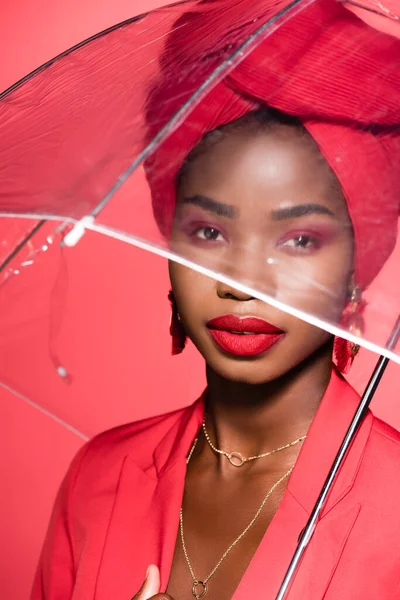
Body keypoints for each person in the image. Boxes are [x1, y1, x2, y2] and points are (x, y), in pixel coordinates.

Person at [31, 1, 400, 599]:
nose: (244, 281)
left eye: (300, 239)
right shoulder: (98, 477)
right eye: (210, 232)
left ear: (358, 266)